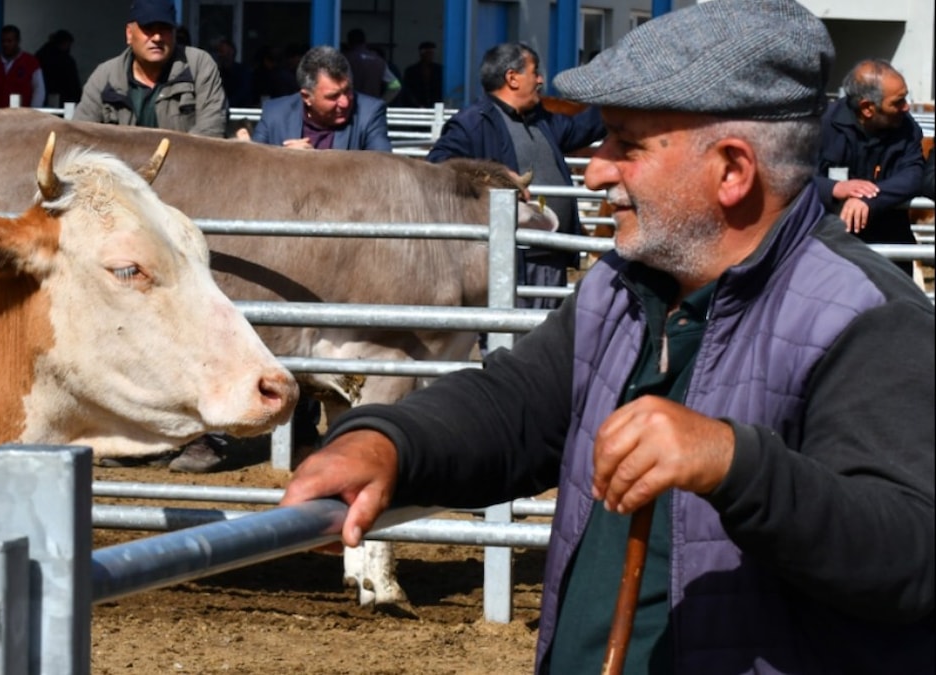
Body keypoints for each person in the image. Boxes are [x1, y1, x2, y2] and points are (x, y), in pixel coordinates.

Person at [282, 1, 934, 673]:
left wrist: (736, 463)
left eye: (627, 143)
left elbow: (910, 554)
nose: (596, 170)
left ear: (733, 170)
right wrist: (388, 443)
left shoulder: (868, 320)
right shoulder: (626, 284)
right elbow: (518, 404)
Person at [427, 43, 604, 309]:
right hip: (510, 258)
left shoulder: (540, 119)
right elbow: (438, 164)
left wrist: (619, 97)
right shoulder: (474, 123)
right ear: (512, 78)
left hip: (551, 255)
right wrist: (490, 174)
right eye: (535, 72)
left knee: (546, 340)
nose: (541, 79)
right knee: (511, 339)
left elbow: (582, 129)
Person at [815, 59, 924, 272]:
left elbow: (914, 174)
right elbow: (792, 177)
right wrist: (834, 188)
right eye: (898, 102)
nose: (906, 106)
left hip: (890, 251)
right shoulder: (821, 125)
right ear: (867, 108)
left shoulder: (907, 127)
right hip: (830, 247)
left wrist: (870, 199)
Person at [72, 0, 226, 138]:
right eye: (148, 28)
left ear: (174, 33)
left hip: (185, 167)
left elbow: (211, 130)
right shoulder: (104, 77)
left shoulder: (198, 65)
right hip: (118, 168)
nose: (157, 38)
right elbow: (80, 136)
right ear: (129, 34)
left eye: (164, 28)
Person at [249, 45, 390, 152]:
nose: (345, 102)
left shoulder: (370, 112)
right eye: (333, 96)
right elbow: (255, 170)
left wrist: (316, 164)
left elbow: (382, 169)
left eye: (348, 91)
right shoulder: (275, 113)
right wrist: (285, 161)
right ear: (306, 97)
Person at [0, 24, 45, 108]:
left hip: (22, 115)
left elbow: (39, 90)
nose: (5, 44)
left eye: (9, 41)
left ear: (17, 41)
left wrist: (34, 111)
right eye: (3, 41)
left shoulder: (31, 62)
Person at [342, 28, 400, 104]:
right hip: (371, 106)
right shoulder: (378, 60)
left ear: (349, 42)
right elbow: (395, 86)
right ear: (365, 42)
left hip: (351, 105)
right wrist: (381, 102)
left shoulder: (345, 59)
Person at [35, 29, 81, 107]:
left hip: (45, 97)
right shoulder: (65, 60)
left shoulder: (41, 55)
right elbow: (73, 82)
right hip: (61, 97)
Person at [214, 38, 255, 109]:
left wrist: (227, 103)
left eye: (222, 51)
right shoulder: (217, 73)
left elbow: (243, 93)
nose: (220, 55)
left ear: (231, 52)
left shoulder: (243, 71)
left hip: (240, 112)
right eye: (219, 52)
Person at [402, 40, 443, 108]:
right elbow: (407, 91)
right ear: (421, 54)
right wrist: (416, 104)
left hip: (435, 105)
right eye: (427, 53)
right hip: (416, 106)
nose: (430, 55)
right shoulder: (411, 71)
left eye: (431, 53)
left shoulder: (439, 70)